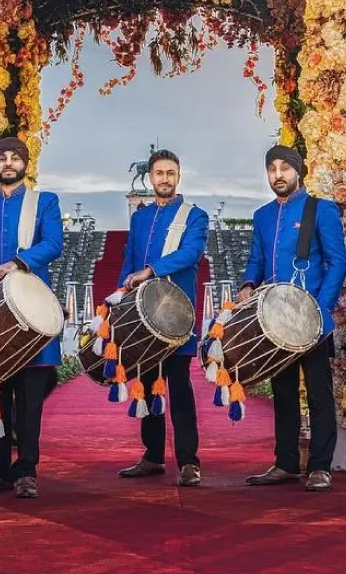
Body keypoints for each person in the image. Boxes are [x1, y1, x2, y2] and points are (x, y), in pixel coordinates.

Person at [238, 145, 346, 491]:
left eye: (284, 168)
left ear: (298, 171)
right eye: (272, 169)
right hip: (275, 320)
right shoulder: (262, 216)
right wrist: (248, 284)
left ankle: (320, 466)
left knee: (318, 393)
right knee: (282, 392)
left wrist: (321, 308)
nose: (278, 175)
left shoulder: (320, 209)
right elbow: (256, 260)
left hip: (311, 317)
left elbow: (337, 262)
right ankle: (285, 463)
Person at [0, 136, 63, 499]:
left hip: (33, 312)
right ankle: (0, 471)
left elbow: (53, 244)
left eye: (14, 157)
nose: (8, 163)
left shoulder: (44, 202)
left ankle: (27, 472)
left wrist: (17, 263)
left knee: (30, 400)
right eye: (2, 158)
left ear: (25, 164)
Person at [116, 149, 208, 487]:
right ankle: (153, 456)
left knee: (180, 388)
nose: (165, 179)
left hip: (177, 313)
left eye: (170, 173)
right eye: (159, 173)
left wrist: (152, 270)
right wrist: (119, 296)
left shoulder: (194, 216)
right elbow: (130, 260)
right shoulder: (140, 219)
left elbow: (191, 253)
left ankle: (189, 462)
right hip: (143, 316)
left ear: (178, 176)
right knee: (147, 386)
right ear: (151, 177)